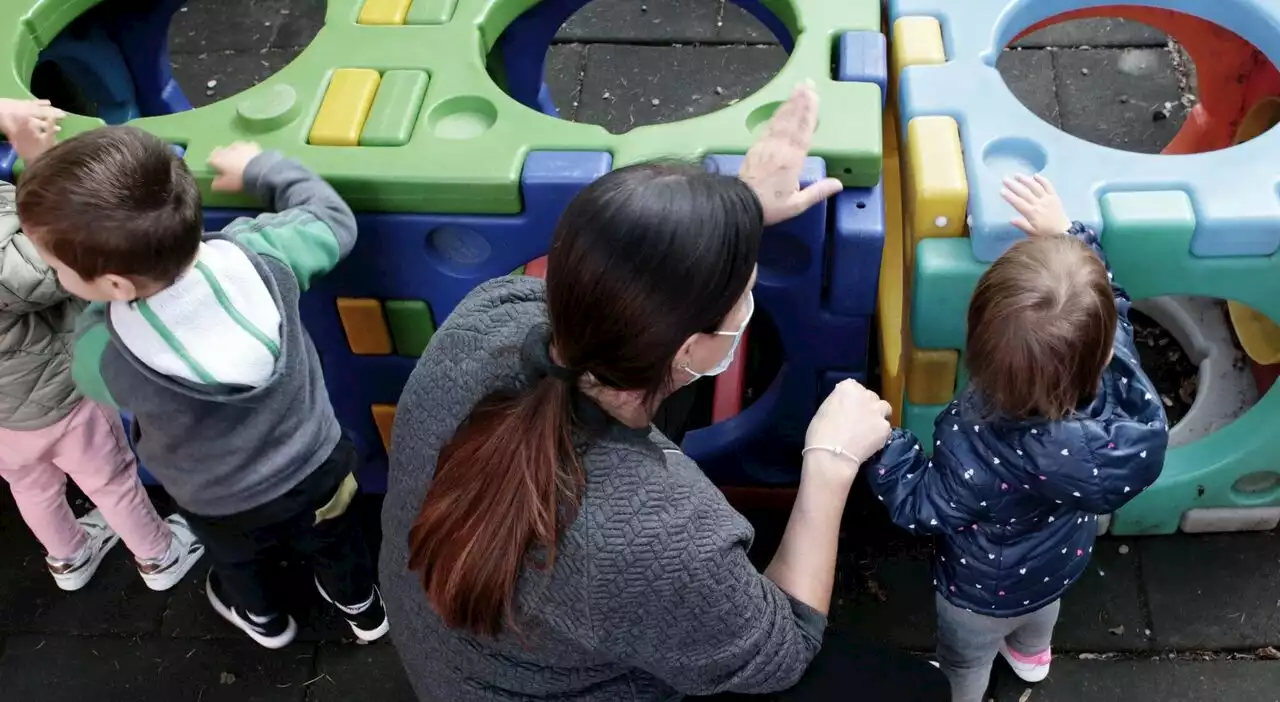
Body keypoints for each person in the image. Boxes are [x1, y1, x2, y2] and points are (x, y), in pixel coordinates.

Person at [381, 82, 950, 702]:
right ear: (691, 349)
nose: (749, 299)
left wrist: (730, 219)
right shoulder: (662, 538)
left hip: (458, 652)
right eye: (744, 290)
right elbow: (784, 649)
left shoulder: (489, 315)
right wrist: (830, 464)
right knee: (915, 692)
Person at [15, 127, 387, 649]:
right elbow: (333, 220)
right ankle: (363, 609)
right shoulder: (263, 253)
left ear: (117, 286)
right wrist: (263, 170)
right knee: (337, 538)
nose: (55, 274)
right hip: (318, 464)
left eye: (57, 267)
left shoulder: (106, 343)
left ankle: (266, 622)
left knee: (238, 562)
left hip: (218, 500)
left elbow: (91, 379)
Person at [866, 174, 1169, 702]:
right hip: (1061, 561)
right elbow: (1112, 305)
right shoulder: (1121, 383)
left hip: (982, 592)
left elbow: (921, 506)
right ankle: (1032, 661)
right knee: (1038, 619)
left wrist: (884, 445)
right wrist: (1069, 238)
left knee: (965, 658)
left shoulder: (979, 445)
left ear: (980, 357)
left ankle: (963, 691)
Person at [0, 99, 203, 593]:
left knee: (31, 485)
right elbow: (52, 261)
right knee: (111, 479)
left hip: (5, 419)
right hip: (61, 401)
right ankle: (159, 556)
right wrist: (37, 167)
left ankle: (68, 557)